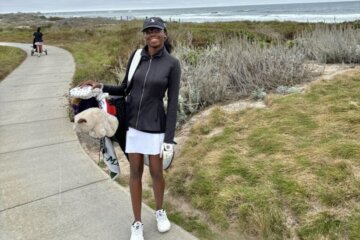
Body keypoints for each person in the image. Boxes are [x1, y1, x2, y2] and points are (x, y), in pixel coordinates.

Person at [79, 17, 181, 240]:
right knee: (135, 173)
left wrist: (169, 139)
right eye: (148, 30)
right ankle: (137, 223)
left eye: (156, 30)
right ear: (144, 35)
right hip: (133, 125)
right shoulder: (136, 57)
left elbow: (172, 103)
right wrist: (101, 86)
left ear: (164, 33)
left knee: (156, 173)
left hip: (156, 127)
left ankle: (160, 211)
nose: (152, 34)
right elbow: (124, 88)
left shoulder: (172, 64)